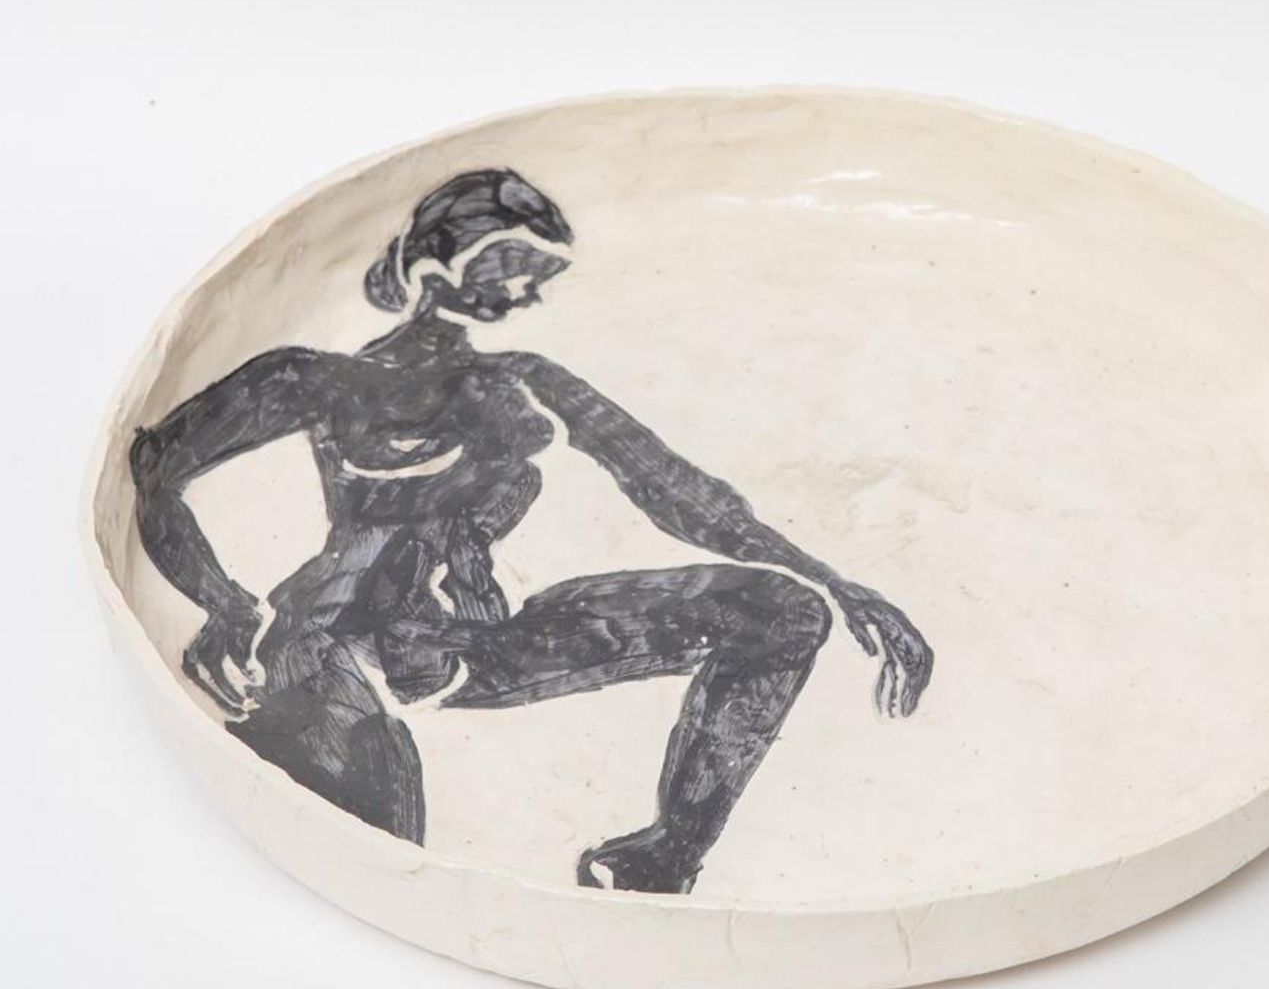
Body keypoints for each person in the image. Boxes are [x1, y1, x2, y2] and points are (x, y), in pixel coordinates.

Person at [131, 169, 933, 893]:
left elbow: (679, 492)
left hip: (477, 635)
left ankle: (660, 862)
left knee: (780, 613)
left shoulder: (521, 382)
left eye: (539, 276)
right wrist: (223, 604)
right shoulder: (314, 378)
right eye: (511, 266)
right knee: (376, 844)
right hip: (341, 638)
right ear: (436, 263)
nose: (525, 292)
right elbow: (156, 469)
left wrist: (836, 583)